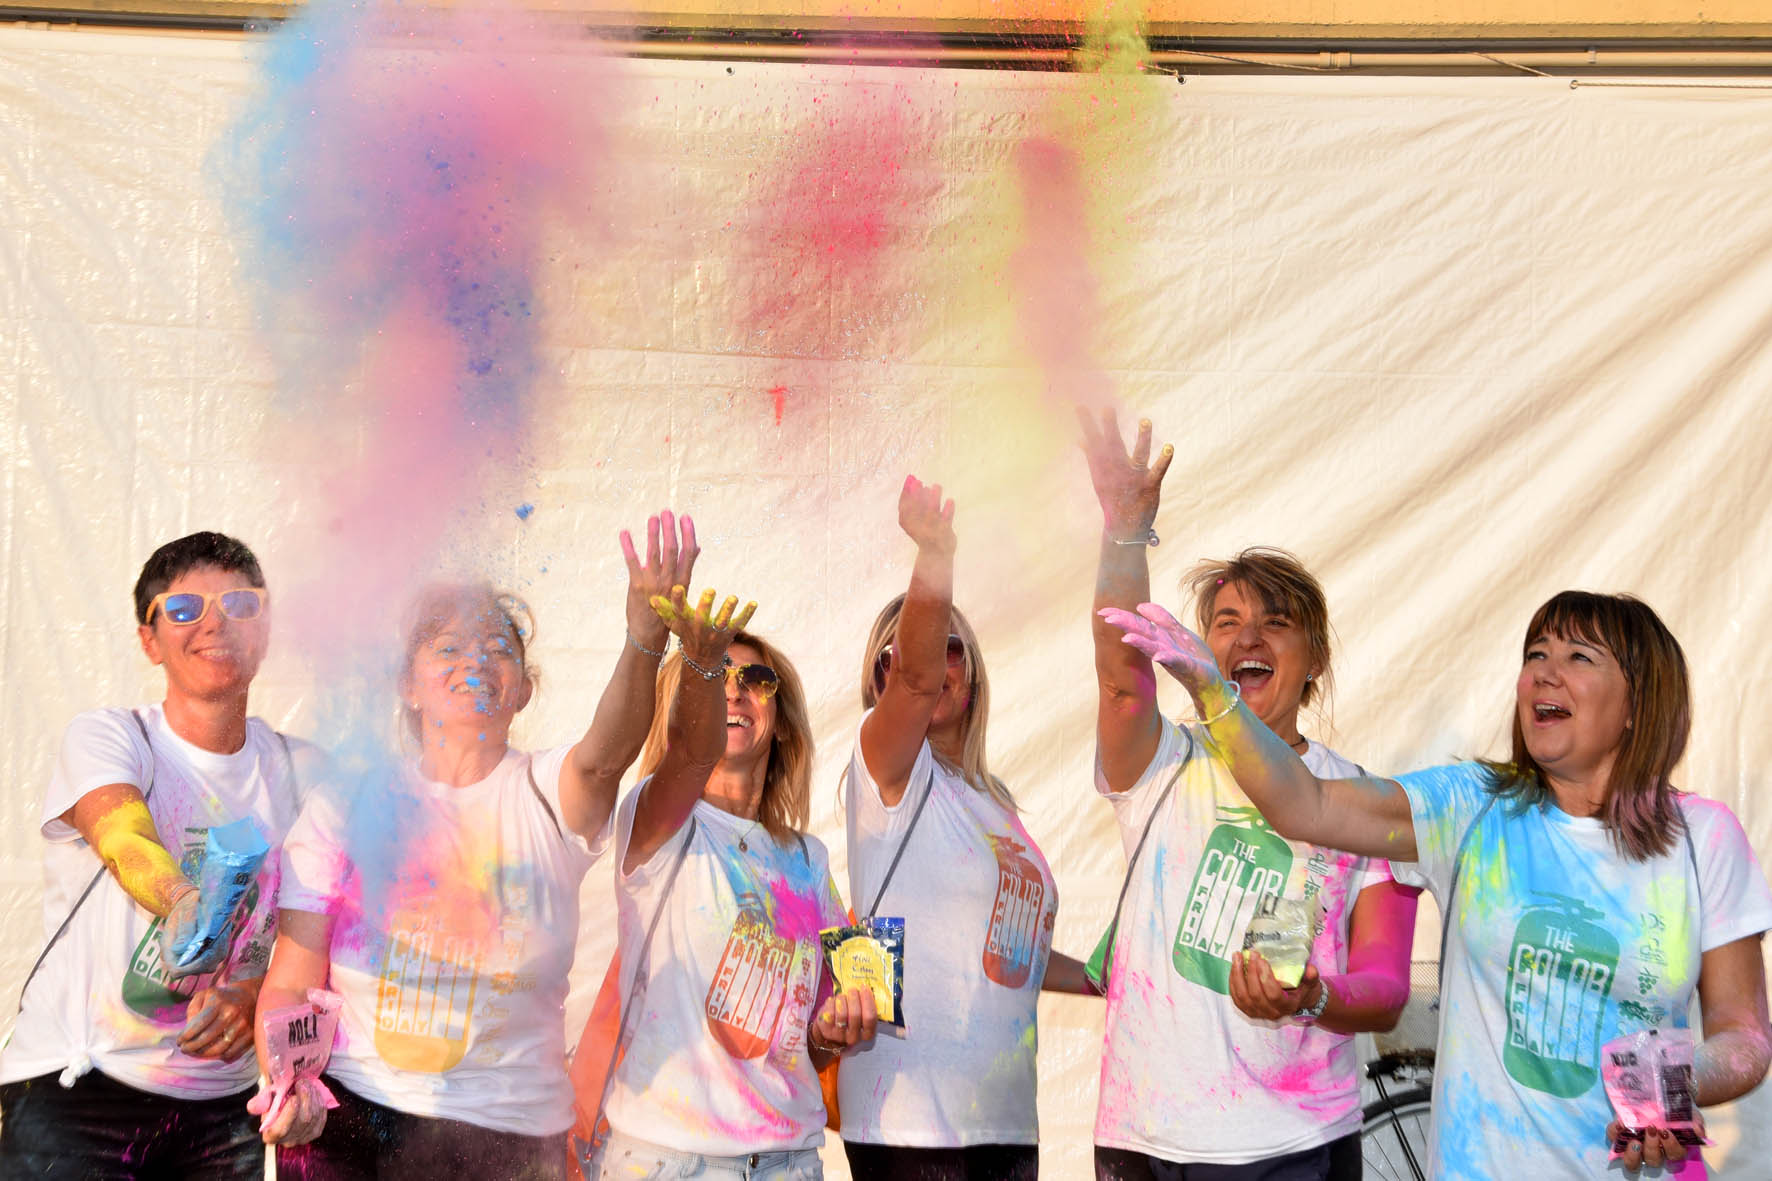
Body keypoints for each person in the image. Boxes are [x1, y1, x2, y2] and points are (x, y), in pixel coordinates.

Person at [1103, 587, 1772, 1178]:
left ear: (1637, 703)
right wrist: (1215, 697)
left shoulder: (1703, 837)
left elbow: (1745, 1036)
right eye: (1536, 654)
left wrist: (1674, 1082)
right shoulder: (1472, 806)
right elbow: (1305, 804)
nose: (1545, 672)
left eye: (1578, 657)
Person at [257, 511, 698, 1178]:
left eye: (498, 648)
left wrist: (644, 638)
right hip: (352, 1119)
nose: (477, 662)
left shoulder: (547, 792)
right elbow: (293, 975)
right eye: (448, 648)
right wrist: (291, 1085)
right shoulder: (346, 804)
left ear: (523, 690)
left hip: (509, 1136)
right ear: (407, 685)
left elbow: (606, 757)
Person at [1079, 410, 1419, 1180]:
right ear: (1201, 648)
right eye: (1227, 622)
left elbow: (1386, 988)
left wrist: (1312, 995)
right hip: (1144, 1137)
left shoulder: (1364, 799)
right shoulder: (1163, 759)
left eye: (1276, 622)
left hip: (1294, 1144)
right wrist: (1124, 534)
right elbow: (1120, 673)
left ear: (1315, 657)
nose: (1248, 637)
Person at [0, 531, 308, 1179]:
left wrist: (255, 993)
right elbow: (122, 834)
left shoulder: (302, 771)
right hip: (83, 1083)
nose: (215, 623)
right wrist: (182, 900)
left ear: (266, 630)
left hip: (221, 1105)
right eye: (185, 608)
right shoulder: (114, 735)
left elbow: (333, 927)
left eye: (240, 603)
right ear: (150, 640)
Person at [837, 475, 1091, 1181]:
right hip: (913, 1119)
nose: (922, 666)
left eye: (950, 650)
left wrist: (1102, 978)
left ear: (974, 673)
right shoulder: (885, 768)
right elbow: (914, 684)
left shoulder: (992, 801)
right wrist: (934, 556)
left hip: (1002, 1117)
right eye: (894, 659)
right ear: (880, 682)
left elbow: (1011, 952)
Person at [589, 584, 874, 1181]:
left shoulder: (809, 860)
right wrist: (698, 662)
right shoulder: (658, 821)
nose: (735, 689)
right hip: (668, 1161)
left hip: (788, 1162)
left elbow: (811, 1039)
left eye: (756, 680)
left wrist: (834, 1030)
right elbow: (689, 755)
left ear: (782, 722)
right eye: (717, 675)